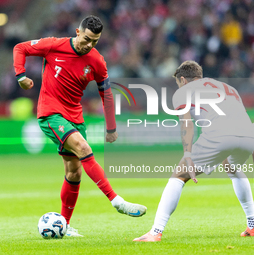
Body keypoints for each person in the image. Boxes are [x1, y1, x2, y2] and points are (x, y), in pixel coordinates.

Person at [13, 15, 146, 236]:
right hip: (51, 114)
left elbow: (106, 93)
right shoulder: (54, 45)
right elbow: (20, 48)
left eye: (95, 41)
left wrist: (111, 127)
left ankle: (64, 225)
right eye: (86, 39)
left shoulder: (97, 61)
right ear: (77, 32)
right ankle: (117, 201)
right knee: (84, 149)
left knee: (74, 172)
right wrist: (20, 75)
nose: (89, 45)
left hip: (75, 117)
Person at [134, 61, 254, 242]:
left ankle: (155, 232)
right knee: (232, 167)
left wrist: (188, 155)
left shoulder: (183, 92)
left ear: (183, 80)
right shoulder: (227, 87)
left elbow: (187, 124)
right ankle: (252, 226)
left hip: (220, 135)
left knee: (179, 175)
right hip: (248, 134)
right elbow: (241, 117)